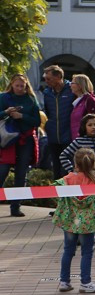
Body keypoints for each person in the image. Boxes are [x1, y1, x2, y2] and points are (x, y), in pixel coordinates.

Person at [54, 148, 95, 293]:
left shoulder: (66, 180)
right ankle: (86, 282)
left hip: (70, 221)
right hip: (88, 222)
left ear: (75, 163)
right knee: (87, 252)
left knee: (68, 250)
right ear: (93, 164)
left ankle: (64, 281)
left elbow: (56, 195)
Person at [1, 73, 42, 217]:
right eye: (16, 85)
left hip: (25, 140)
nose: (19, 88)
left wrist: (22, 116)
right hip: (7, 140)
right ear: (11, 84)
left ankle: (15, 206)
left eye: (22, 86)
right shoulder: (4, 97)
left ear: (26, 86)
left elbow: (37, 121)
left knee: (21, 173)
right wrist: (6, 112)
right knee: (2, 170)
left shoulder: (30, 100)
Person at [41, 64, 76, 178]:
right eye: (45, 79)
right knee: (55, 169)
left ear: (59, 76)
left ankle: (68, 195)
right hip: (53, 137)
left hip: (68, 137)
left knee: (67, 170)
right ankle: (57, 195)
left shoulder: (72, 90)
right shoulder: (47, 93)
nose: (46, 81)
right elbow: (47, 113)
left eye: (49, 79)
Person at [61, 114, 95, 182]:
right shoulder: (79, 141)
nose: (93, 127)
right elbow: (63, 156)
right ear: (84, 127)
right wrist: (72, 170)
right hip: (83, 180)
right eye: (90, 125)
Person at [68, 74, 95, 149]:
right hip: (77, 141)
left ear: (80, 85)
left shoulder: (90, 100)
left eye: (72, 83)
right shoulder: (78, 101)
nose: (70, 85)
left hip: (87, 143)